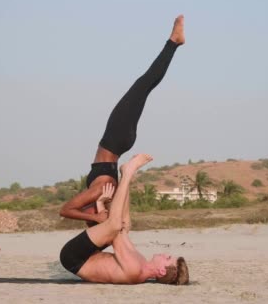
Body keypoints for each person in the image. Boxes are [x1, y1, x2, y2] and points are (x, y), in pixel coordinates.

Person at [59, 15, 185, 226]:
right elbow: (65, 210)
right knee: (143, 84)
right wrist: (94, 216)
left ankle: (174, 42)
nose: (84, 207)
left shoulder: (101, 195)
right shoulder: (99, 191)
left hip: (119, 144)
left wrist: (98, 209)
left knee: (144, 87)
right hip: (114, 141)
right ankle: (173, 42)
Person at [59, 154, 189, 285]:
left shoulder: (134, 270)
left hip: (74, 258)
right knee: (125, 226)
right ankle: (126, 173)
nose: (165, 254)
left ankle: (128, 173)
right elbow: (121, 231)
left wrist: (100, 204)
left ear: (161, 271)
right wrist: (100, 204)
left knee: (115, 226)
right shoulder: (141, 263)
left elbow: (114, 232)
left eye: (168, 258)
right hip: (90, 254)